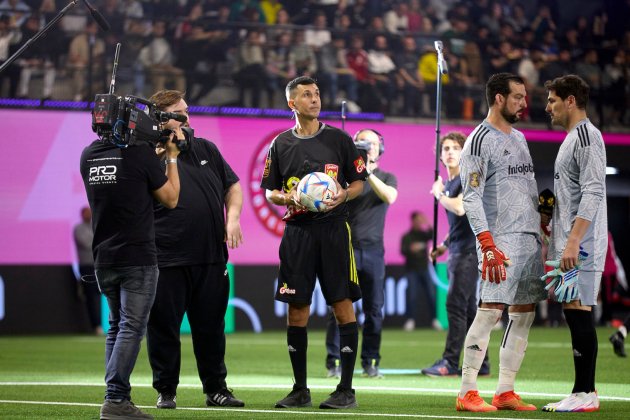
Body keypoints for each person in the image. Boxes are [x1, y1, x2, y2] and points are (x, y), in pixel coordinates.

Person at [260, 76, 366, 409]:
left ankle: (346, 389)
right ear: (292, 103)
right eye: (307, 95)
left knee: (341, 305)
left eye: (318, 93)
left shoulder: (339, 139)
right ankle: (300, 390)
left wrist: (344, 194)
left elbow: (360, 182)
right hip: (298, 234)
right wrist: (283, 197)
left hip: (334, 230)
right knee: (297, 311)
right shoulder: (280, 144)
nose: (315, 99)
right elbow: (269, 190)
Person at [80, 104, 182, 419]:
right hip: (137, 256)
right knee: (131, 327)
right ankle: (115, 399)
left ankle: (116, 395)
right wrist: (171, 156)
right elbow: (171, 197)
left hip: (103, 258)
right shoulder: (139, 156)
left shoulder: (88, 155)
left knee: (116, 327)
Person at [145, 90, 245, 410]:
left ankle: (216, 389)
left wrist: (233, 220)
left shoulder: (206, 149)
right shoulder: (147, 154)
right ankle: (166, 390)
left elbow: (233, 185)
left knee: (211, 328)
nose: (187, 118)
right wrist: (164, 151)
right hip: (166, 256)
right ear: (159, 118)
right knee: (164, 328)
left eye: (187, 111)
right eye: (178, 113)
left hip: (211, 256)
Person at [456, 73, 546, 412]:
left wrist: (543, 220)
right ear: (498, 98)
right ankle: (467, 391)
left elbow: (525, 186)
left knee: (523, 314)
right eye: (518, 97)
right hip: (500, 242)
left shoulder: (520, 138)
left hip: (528, 238)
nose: (525, 103)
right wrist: (487, 243)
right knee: (490, 311)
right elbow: (472, 196)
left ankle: (505, 391)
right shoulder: (478, 140)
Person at [541, 74, 607, 412]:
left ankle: (586, 393)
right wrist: (548, 218)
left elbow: (594, 190)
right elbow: (572, 193)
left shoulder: (586, 136)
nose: (547, 106)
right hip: (571, 241)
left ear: (570, 101)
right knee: (572, 311)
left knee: (579, 310)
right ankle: (581, 391)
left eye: (552, 100)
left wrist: (573, 241)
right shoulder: (571, 138)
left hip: (582, 244)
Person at [324, 128, 398, 379]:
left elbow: (389, 197)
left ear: (381, 148)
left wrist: (366, 172)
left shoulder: (387, 177)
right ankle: (333, 361)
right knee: (341, 306)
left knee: (374, 310)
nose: (369, 147)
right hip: (347, 249)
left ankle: (370, 361)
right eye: (363, 143)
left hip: (374, 251)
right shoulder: (347, 179)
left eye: (373, 143)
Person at [421, 132, 489, 377]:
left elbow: (461, 208)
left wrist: (439, 194)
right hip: (458, 251)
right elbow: (459, 226)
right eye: (446, 148)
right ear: (440, 155)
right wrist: (443, 245)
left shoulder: (465, 179)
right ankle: (482, 363)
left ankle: (449, 362)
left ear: (463, 153)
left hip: (469, 254)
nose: (449, 151)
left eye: (455, 148)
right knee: (470, 310)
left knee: (455, 305)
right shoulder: (449, 184)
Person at [400, 211, 436, 331]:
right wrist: (411, 250)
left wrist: (427, 222)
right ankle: (411, 320)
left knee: (431, 295)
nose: (419, 222)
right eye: (417, 220)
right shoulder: (407, 236)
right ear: (412, 221)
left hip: (424, 269)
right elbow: (403, 250)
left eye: (420, 220)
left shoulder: (423, 235)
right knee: (412, 296)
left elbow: (433, 234)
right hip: (412, 270)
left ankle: (434, 320)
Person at [73, 206, 102, 335]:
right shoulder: (78, 228)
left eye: (90, 212)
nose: (89, 215)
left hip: (100, 265)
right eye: (86, 213)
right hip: (87, 266)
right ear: (81, 214)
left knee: (103, 295)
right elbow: (88, 243)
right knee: (91, 296)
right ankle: (95, 325)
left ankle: (107, 324)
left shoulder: (97, 225)